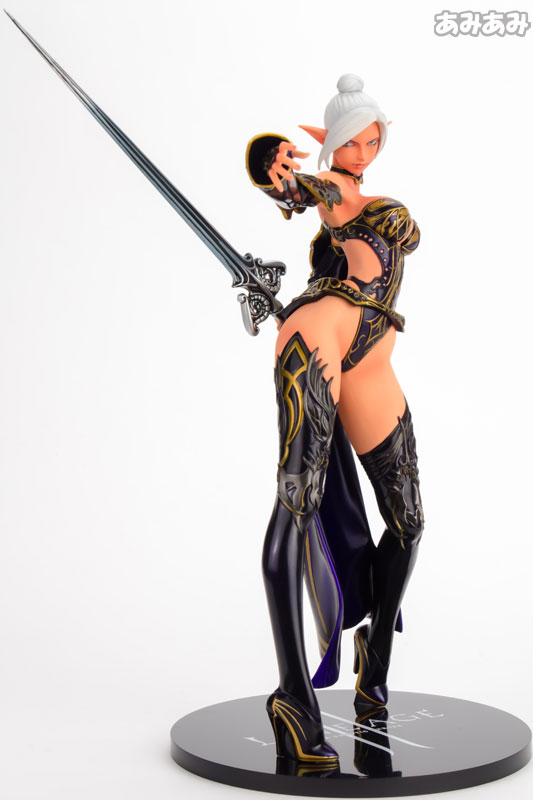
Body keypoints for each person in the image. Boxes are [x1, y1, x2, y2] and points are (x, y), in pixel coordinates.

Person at [246, 74, 424, 765]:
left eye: (373, 139)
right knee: (295, 505)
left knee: (408, 520)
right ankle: (292, 699)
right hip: (321, 337)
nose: (364, 150)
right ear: (334, 144)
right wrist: (278, 170)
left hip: (372, 353)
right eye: (353, 140)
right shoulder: (335, 189)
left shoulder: (365, 193)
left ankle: (372, 666)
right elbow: (304, 190)